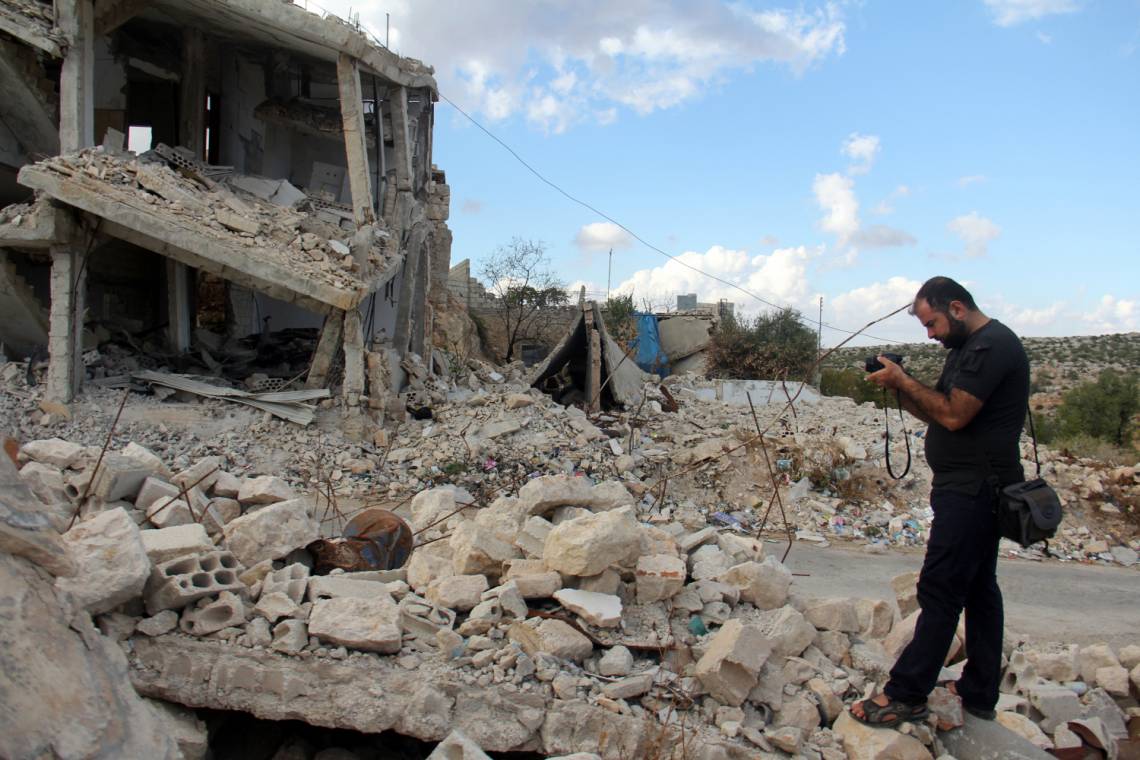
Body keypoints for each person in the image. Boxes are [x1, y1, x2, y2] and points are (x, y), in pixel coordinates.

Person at [850, 276, 1030, 727]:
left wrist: (905, 379)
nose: (930, 334)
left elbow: (953, 414)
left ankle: (907, 695)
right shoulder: (966, 350)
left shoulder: (992, 346)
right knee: (978, 589)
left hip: (975, 489)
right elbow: (938, 408)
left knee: (941, 588)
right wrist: (898, 385)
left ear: (956, 307)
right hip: (970, 486)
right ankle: (979, 690)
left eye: (931, 324)